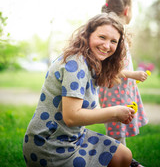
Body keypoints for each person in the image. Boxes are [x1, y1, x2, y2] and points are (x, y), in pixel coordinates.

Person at [23, 13, 135, 167]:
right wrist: (114, 112)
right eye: (102, 37)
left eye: (113, 41)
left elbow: (88, 110)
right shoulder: (75, 64)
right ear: (87, 35)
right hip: (50, 145)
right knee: (121, 158)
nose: (107, 46)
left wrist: (117, 115)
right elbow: (71, 117)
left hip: (73, 137)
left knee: (124, 156)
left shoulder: (90, 63)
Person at [99, 0, 148, 167]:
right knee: (116, 131)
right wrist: (133, 75)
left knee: (118, 130)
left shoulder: (110, 30)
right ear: (127, 11)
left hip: (119, 90)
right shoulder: (115, 33)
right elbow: (108, 67)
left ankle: (125, 161)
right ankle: (121, 162)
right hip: (115, 91)